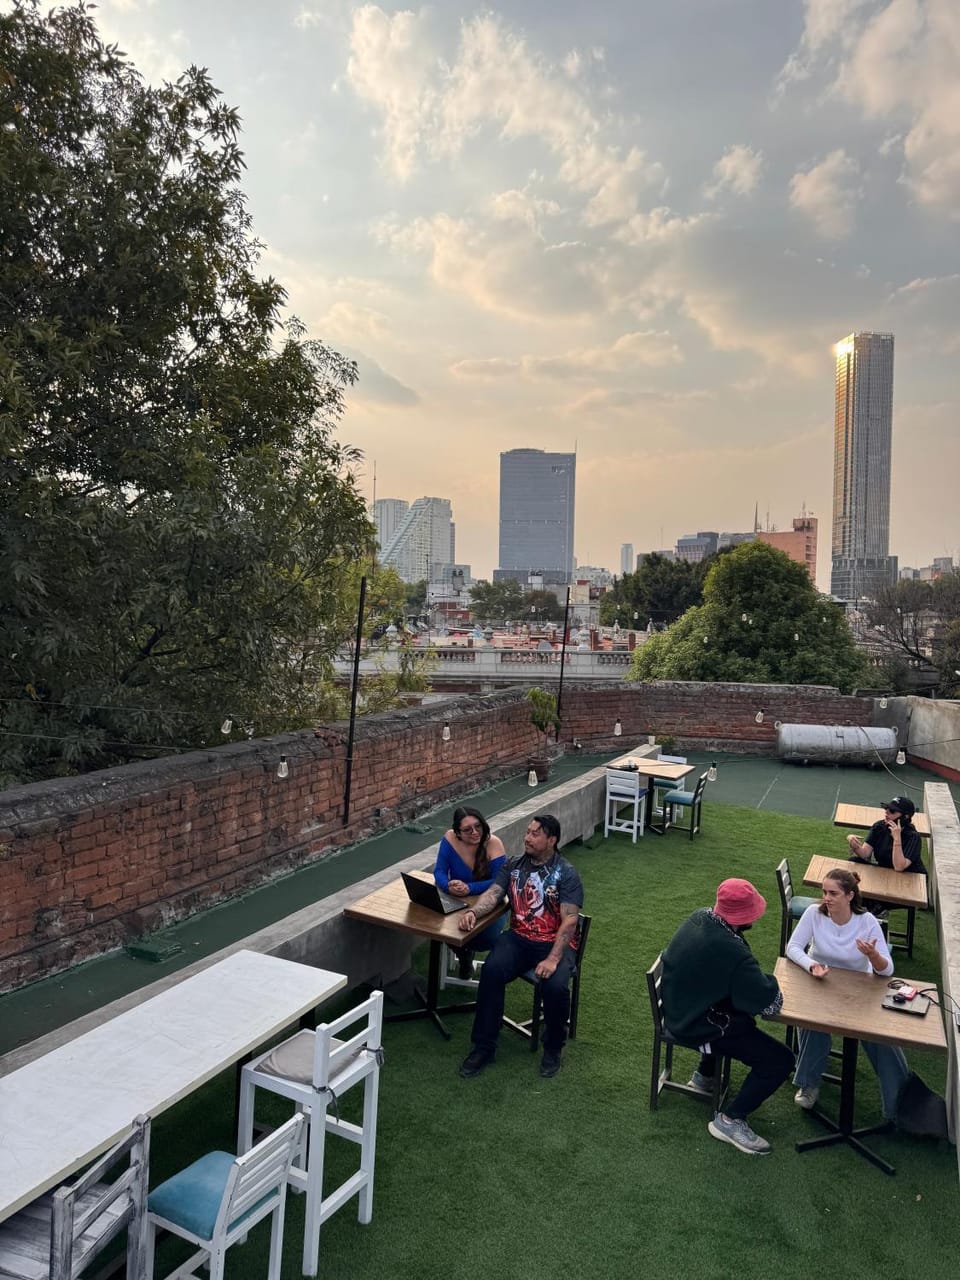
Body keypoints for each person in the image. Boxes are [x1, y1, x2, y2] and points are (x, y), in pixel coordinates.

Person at [660, 878, 794, 1156]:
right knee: (780, 1060)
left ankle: (704, 1076)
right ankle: (730, 1120)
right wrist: (772, 984)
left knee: (735, 1010)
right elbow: (770, 1005)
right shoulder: (732, 951)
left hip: (678, 1006)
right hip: (697, 1023)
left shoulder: (700, 916)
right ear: (744, 915)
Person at [457, 814, 583, 1080]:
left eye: (536, 833)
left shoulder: (566, 873)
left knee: (556, 985)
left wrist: (552, 958)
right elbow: (493, 894)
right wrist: (474, 913)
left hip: (553, 942)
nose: (527, 837)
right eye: (528, 832)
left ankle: (553, 1048)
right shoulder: (514, 865)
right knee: (491, 971)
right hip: (519, 938)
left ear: (552, 840)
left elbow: (570, 919)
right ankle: (484, 1047)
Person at [787, 866, 909, 1117]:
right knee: (812, 1023)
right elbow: (794, 947)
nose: (827, 898)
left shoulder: (867, 922)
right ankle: (809, 1085)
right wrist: (812, 966)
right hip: (821, 984)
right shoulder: (814, 914)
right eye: (825, 892)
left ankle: (900, 1103)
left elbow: (887, 970)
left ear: (850, 895)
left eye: (833, 893)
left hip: (858, 992)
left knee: (881, 1037)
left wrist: (873, 955)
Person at [434, 807, 506, 958]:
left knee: (481, 939)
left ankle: (465, 955)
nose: (474, 832)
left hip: (490, 905)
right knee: (438, 928)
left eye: (478, 826)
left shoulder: (494, 843)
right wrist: (448, 886)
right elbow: (439, 871)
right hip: (457, 901)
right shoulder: (449, 838)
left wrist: (470, 888)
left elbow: (500, 880)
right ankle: (464, 956)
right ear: (458, 832)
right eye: (467, 830)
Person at [846, 795, 926, 875]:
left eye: (892, 811)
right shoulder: (879, 827)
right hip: (886, 870)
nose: (886, 812)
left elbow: (899, 867)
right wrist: (853, 843)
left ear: (905, 816)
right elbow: (865, 854)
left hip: (909, 875)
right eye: (886, 808)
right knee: (854, 860)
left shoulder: (913, 837)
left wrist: (897, 839)